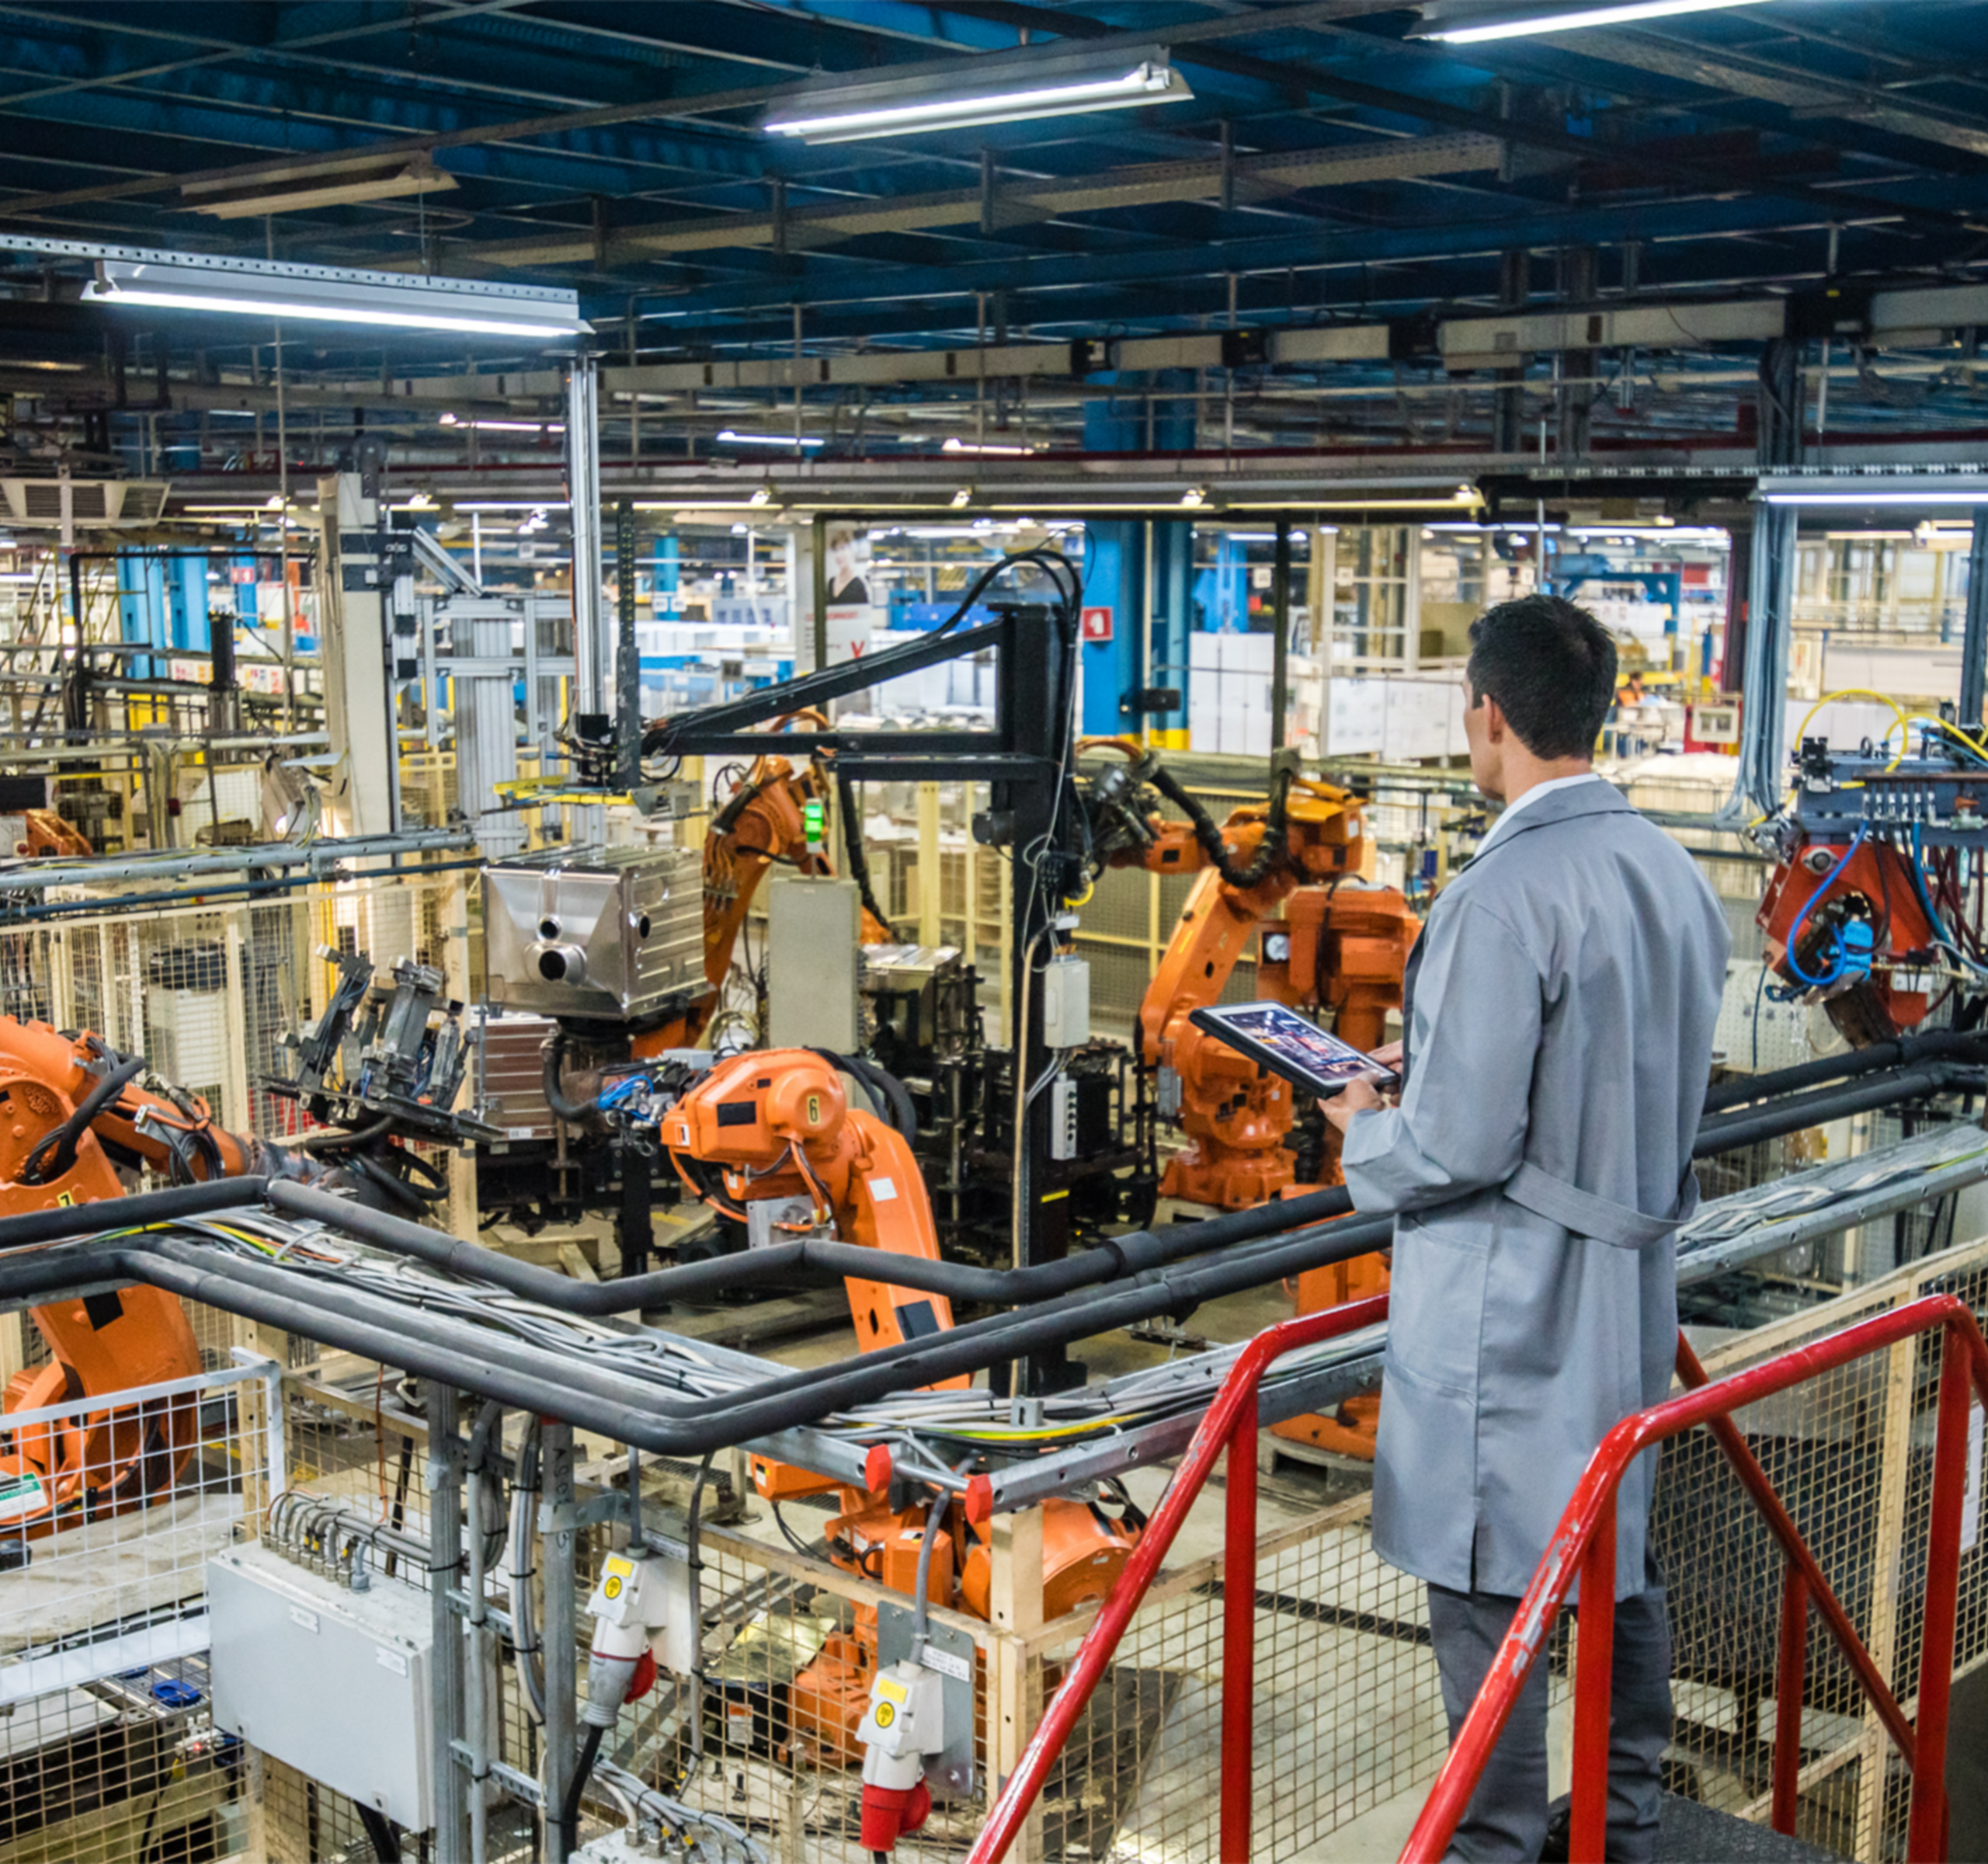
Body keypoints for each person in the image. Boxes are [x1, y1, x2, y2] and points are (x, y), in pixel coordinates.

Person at [1322, 594, 1729, 1863]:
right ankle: (1629, 1817)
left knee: (1493, 1591)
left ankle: (1493, 1849)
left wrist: (1363, 1122)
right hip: (1631, 1285)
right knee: (1619, 1560)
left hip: (1518, 1306)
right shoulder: (1668, 869)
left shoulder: (1500, 895)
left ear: (1485, 714)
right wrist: (1442, 1054)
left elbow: (1455, 1146)